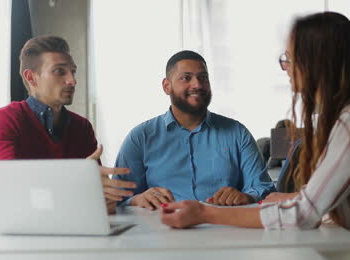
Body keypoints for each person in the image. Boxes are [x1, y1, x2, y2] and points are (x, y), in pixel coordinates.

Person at [160, 12, 350, 260]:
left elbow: (304, 215)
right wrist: (294, 199)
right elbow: (321, 200)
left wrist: (206, 213)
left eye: (290, 57)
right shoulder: (346, 115)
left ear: (315, 62)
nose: (285, 66)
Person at [0, 35, 135, 213]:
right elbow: (7, 189)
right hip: (8, 229)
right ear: (31, 78)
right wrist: (75, 181)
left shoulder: (82, 127)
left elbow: (95, 195)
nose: (72, 80)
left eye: (73, 71)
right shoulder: (4, 120)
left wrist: (104, 199)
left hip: (70, 224)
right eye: (59, 71)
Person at [113, 50, 275, 210]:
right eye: (186, 78)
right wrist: (136, 200)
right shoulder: (140, 137)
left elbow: (264, 188)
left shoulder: (237, 133)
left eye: (203, 78)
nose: (197, 84)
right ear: (167, 86)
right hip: (162, 229)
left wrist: (247, 197)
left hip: (224, 228)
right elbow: (116, 199)